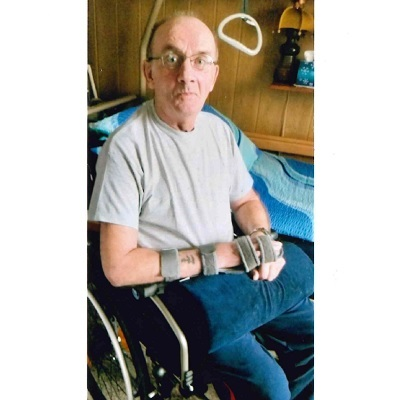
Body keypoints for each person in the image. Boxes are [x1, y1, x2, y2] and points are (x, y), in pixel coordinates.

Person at [88, 13, 314, 400]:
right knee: (271, 387)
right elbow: (119, 267)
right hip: (186, 296)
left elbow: (245, 200)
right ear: (149, 72)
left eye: (200, 60)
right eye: (171, 58)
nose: (186, 74)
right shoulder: (125, 149)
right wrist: (217, 256)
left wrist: (260, 237)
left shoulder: (218, 132)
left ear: (214, 75)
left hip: (240, 274)